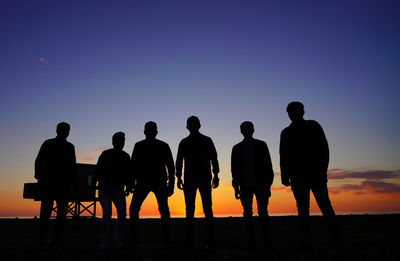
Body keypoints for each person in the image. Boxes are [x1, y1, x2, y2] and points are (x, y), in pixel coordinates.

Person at [280, 101, 340, 250]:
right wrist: (284, 174)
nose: (293, 114)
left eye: (296, 110)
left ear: (302, 111)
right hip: (297, 176)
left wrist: (322, 171)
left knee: (325, 206)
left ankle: (337, 240)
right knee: (302, 208)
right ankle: (306, 242)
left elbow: (324, 149)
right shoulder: (286, 132)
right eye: (290, 111)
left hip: (315, 174)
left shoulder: (313, 126)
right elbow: (283, 155)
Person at [128, 121, 175, 248]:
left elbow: (171, 166)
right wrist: (132, 182)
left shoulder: (143, 145)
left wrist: (171, 184)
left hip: (154, 182)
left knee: (162, 210)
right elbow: (133, 165)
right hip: (148, 182)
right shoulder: (143, 145)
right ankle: (138, 239)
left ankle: (163, 239)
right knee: (160, 210)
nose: (150, 132)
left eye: (150, 130)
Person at [176, 116, 220, 250]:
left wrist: (216, 175)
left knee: (199, 209)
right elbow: (179, 161)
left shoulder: (195, 141)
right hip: (195, 179)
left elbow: (214, 158)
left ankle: (202, 242)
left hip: (200, 178)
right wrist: (178, 177)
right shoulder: (201, 141)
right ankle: (196, 242)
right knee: (200, 209)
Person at [231, 121, 274, 249]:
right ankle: (251, 240)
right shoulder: (237, 148)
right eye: (244, 129)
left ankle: (266, 240)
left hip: (261, 185)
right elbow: (234, 170)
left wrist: (268, 185)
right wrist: (236, 187)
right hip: (245, 185)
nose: (247, 131)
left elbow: (268, 166)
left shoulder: (261, 145)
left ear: (253, 130)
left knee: (263, 213)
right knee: (248, 213)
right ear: (241, 131)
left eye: (249, 128)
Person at [34, 122, 76, 248]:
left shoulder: (69, 146)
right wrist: (39, 175)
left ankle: (53, 240)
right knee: (48, 212)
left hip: (60, 184)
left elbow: (72, 166)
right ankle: (45, 240)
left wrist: (71, 182)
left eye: (67, 130)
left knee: (59, 213)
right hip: (50, 183)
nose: (65, 132)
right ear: (58, 130)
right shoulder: (49, 144)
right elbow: (39, 161)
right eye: (64, 130)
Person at [96, 132, 130, 249]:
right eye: (120, 140)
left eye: (122, 141)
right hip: (105, 188)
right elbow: (98, 170)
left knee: (121, 214)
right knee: (107, 213)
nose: (121, 143)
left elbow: (128, 173)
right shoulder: (106, 154)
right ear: (113, 142)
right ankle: (104, 242)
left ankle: (116, 240)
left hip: (118, 189)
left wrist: (129, 186)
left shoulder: (126, 156)